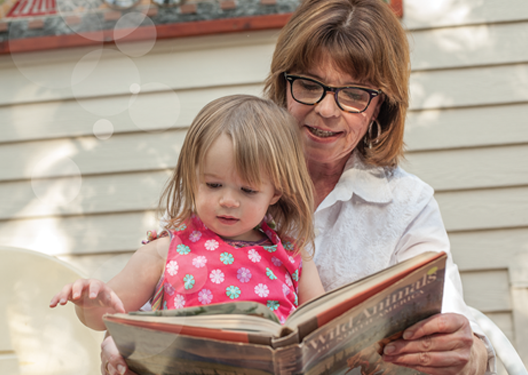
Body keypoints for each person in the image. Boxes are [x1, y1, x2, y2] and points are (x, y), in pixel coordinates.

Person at [99, 0, 495, 374]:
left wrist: (469, 351)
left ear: (381, 108)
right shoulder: (226, 178)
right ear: (283, 84)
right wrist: (123, 344)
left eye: (355, 93)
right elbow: (159, 294)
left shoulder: (407, 204)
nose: (326, 109)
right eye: (309, 84)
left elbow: (447, 319)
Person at [49, 95, 325, 360]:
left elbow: (324, 326)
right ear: (192, 179)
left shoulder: (294, 254)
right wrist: (90, 304)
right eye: (213, 185)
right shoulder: (166, 249)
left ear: (275, 192)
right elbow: (105, 317)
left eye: (248, 190)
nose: (228, 200)